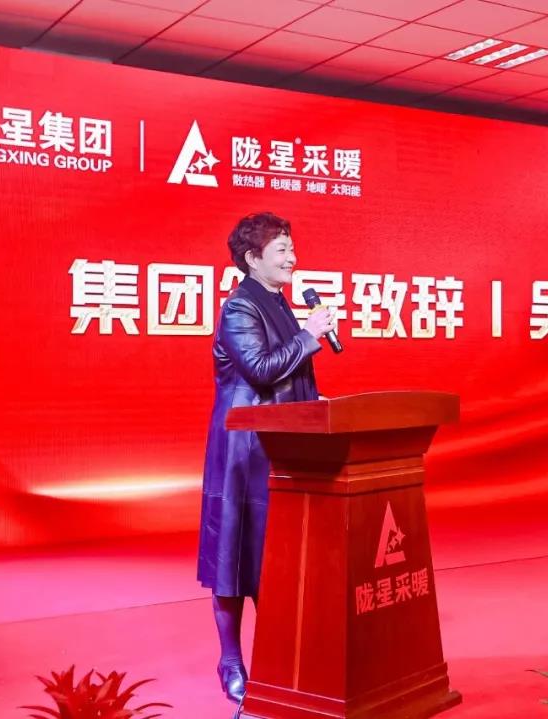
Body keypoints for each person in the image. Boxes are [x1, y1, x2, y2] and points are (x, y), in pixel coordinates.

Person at [196, 211, 337, 704]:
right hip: (244, 453)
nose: (292, 258)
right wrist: (310, 335)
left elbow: (286, 375)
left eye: (291, 248)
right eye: (281, 250)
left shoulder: (278, 303)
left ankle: (282, 656)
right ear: (252, 259)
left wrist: (311, 402)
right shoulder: (240, 307)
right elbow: (258, 369)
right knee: (234, 558)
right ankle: (231, 660)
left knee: (275, 558)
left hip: (278, 448)